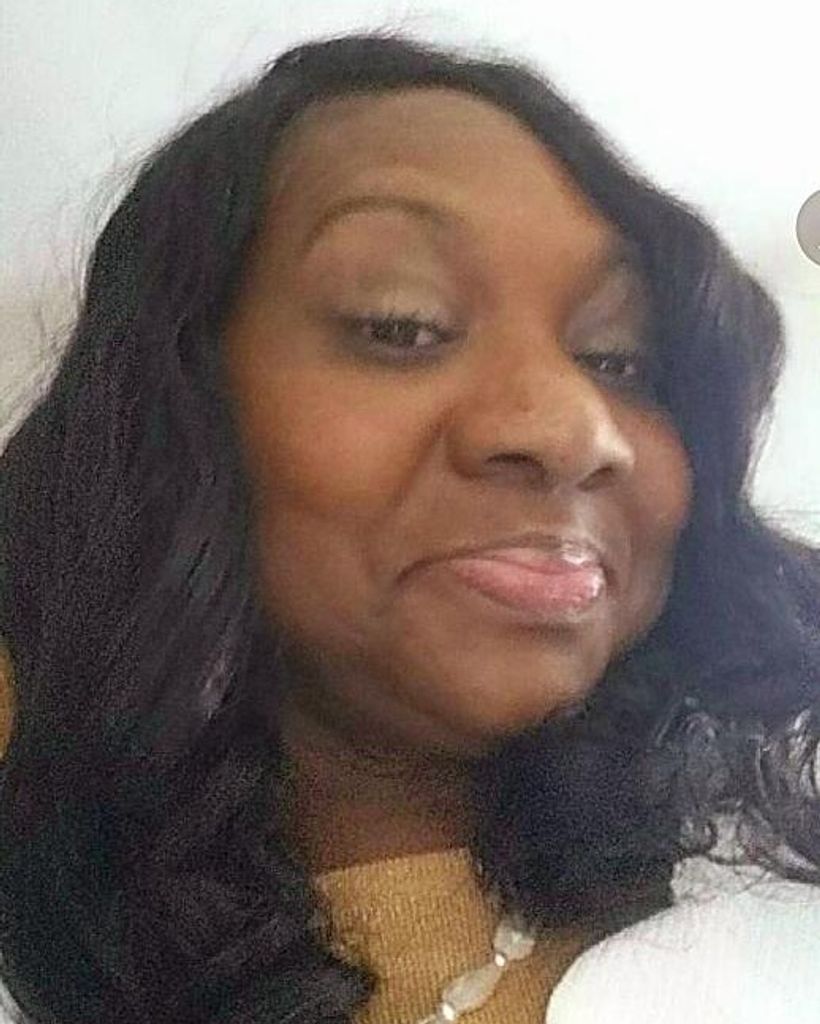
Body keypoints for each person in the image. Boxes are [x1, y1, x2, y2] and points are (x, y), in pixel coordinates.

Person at [1, 31, 820, 1024]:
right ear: (174, 409)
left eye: (620, 358)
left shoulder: (780, 904)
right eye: (401, 324)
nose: (574, 431)